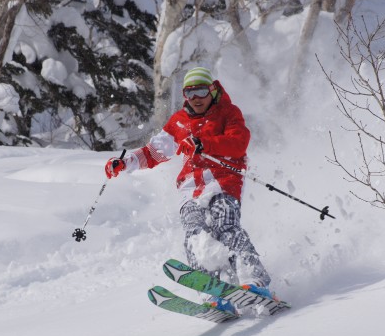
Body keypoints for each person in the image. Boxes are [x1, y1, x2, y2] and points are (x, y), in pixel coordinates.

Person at [104, 67, 274, 312]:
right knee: (195, 234)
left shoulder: (228, 113)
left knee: (225, 226)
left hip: (223, 181)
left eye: (201, 91)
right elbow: (153, 153)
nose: (195, 98)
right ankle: (213, 291)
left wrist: (204, 143)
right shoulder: (180, 122)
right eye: (189, 92)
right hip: (191, 189)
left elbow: (239, 144)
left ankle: (253, 277)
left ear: (212, 90)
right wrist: (125, 163)